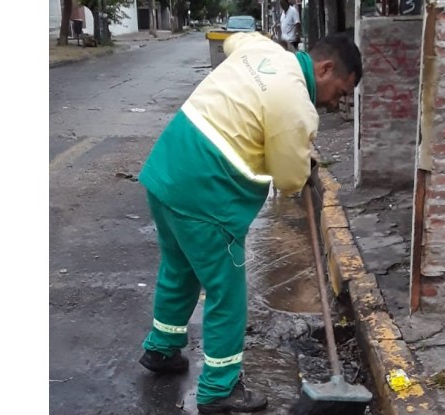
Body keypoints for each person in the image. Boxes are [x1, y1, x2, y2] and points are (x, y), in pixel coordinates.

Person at [136, 31, 363, 414]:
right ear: (324, 68)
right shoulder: (296, 106)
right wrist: (302, 158)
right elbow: (291, 181)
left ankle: (161, 349)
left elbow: (233, 40)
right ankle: (218, 389)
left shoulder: (262, 49)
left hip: (166, 172)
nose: (334, 102)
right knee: (227, 292)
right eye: (339, 92)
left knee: (180, 269)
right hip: (205, 195)